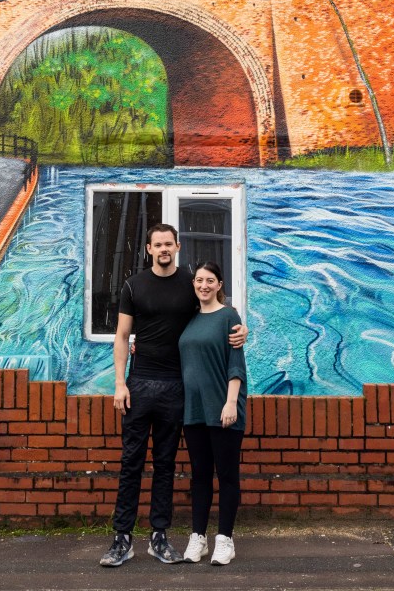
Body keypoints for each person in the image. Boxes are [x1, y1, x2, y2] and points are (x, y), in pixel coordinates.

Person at [99, 225, 248, 568]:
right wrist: (120, 383)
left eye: (169, 243)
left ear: (177, 246)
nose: (164, 249)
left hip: (175, 387)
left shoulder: (189, 283)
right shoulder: (133, 285)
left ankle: (159, 538)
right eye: (158, 244)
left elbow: (218, 309)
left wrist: (242, 328)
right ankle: (122, 539)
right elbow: (122, 336)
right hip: (139, 384)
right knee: (131, 463)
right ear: (149, 248)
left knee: (166, 465)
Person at [179, 260, 247, 566]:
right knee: (200, 477)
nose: (203, 285)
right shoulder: (189, 319)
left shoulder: (229, 316)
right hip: (193, 410)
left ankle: (225, 539)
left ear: (220, 285)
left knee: (227, 476)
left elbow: (236, 363)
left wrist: (231, 402)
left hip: (223, 409)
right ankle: (198, 538)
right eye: (199, 280)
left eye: (210, 280)